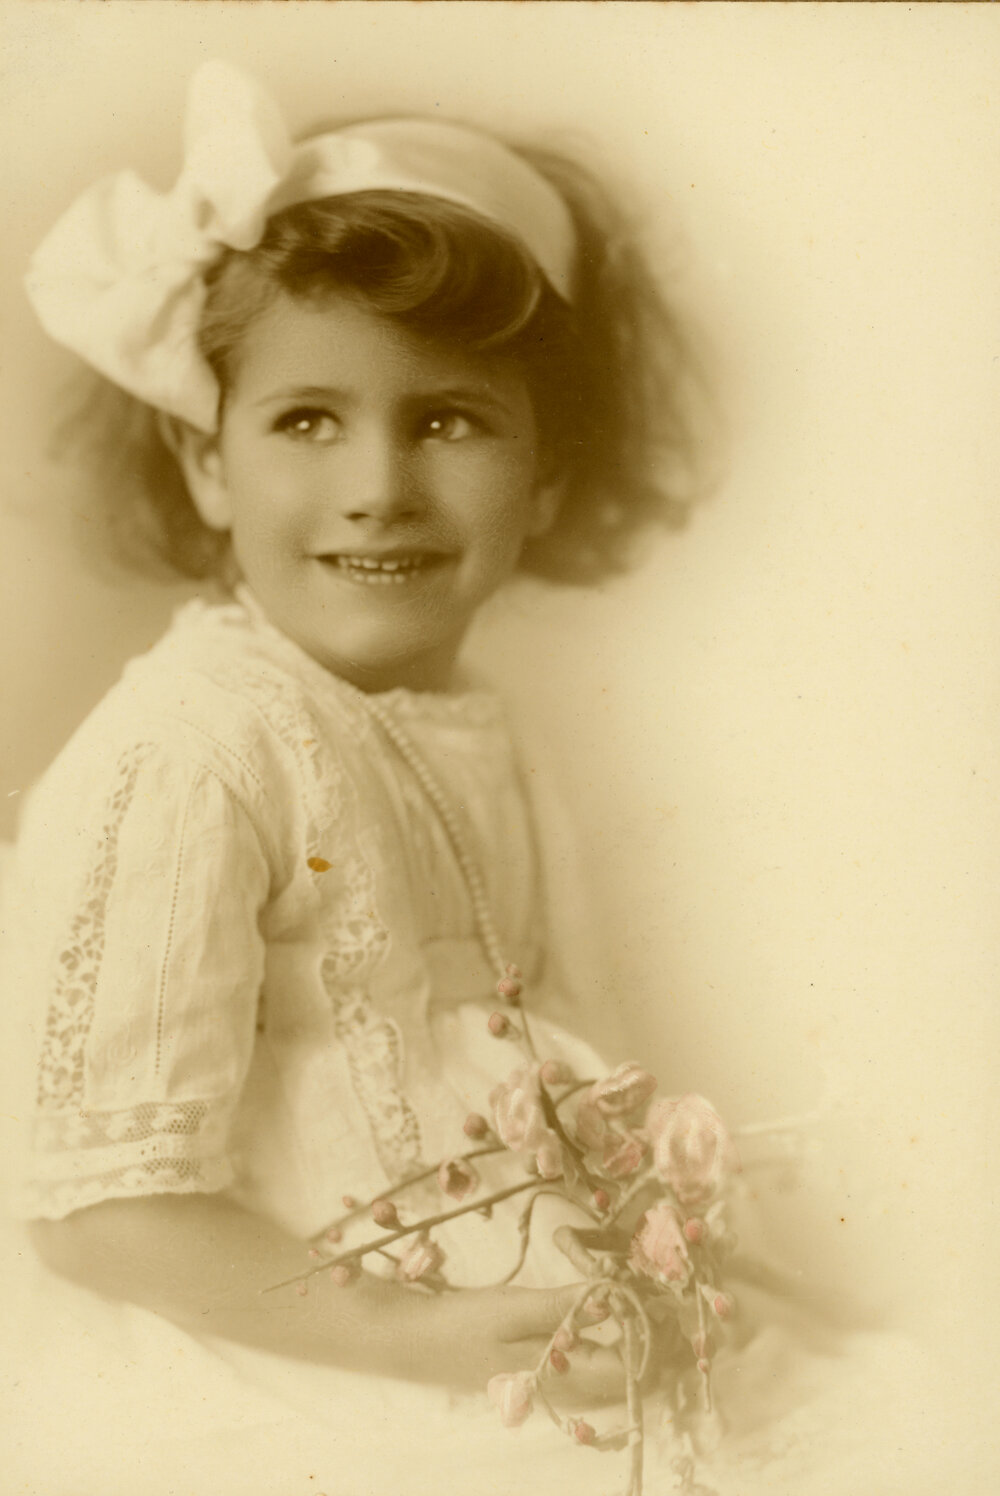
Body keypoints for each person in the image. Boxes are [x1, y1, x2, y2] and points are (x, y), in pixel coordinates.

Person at [1, 60, 940, 1496]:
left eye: (447, 420)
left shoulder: (482, 740)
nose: (378, 483)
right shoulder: (189, 753)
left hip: (521, 1333)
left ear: (547, 475)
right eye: (307, 420)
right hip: (290, 1363)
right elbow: (102, 1218)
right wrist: (443, 1339)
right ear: (207, 462)